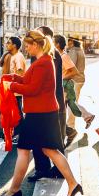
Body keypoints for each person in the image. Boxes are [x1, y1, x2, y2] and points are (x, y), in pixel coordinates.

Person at [0, 30, 82, 196]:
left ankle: (14, 190)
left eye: (28, 45)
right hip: (44, 113)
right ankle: (73, 183)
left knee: (23, 150)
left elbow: (33, 89)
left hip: (39, 114)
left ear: (36, 45)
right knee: (49, 149)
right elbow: (30, 81)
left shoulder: (43, 62)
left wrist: (12, 86)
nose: (26, 48)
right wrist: (14, 78)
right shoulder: (43, 61)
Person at [28, 25, 67, 182]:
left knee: (49, 139)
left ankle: (50, 169)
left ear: (45, 37)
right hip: (51, 102)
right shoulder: (49, 53)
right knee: (50, 139)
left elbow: (37, 82)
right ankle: (50, 169)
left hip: (48, 103)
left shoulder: (48, 55)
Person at [53, 34, 83, 146]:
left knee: (58, 114)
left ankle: (68, 134)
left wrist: (60, 78)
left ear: (57, 44)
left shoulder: (64, 56)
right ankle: (69, 133)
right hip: (59, 87)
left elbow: (75, 71)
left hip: (64, 88)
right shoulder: (58, 55)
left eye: (53, 42)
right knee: (57, 115)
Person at [66, 37, 94, 129]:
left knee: (72, 102)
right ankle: (73, 123)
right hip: (80, 79)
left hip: (75, 80)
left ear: (72, 43)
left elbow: (71, 66)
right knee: (73, 102)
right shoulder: (81, 51)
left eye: (68, 42)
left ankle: (73, 124)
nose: (67, 44)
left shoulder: (73, 51)